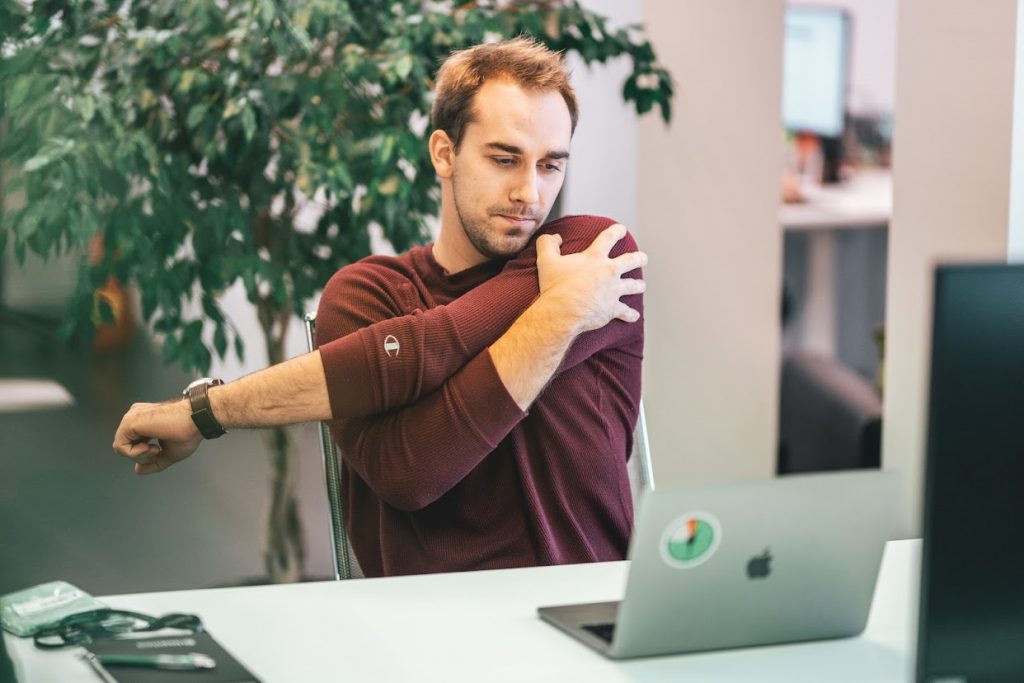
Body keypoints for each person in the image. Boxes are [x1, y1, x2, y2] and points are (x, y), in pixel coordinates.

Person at [112, 38, 647, 577]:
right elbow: (412, 474)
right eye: (504, 159)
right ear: (444, 152)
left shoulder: (593, 254)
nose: (530, 193)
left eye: (550, 165)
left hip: (593, 622)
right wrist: (555, 316)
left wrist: (200, 414)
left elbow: (430, 347)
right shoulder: (369, 295)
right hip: (429, 637)